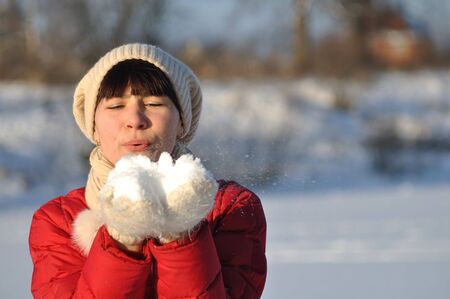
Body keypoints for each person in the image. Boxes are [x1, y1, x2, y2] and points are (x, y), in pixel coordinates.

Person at [28, 43, 267, 298]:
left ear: (182, 123)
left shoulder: (231, 208)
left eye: (154, 103)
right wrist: (122, 237)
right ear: (93, 127)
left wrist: (181, 230)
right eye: (116, 106)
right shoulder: (57, 222)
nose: (135, 120)